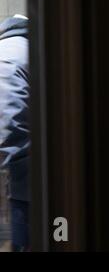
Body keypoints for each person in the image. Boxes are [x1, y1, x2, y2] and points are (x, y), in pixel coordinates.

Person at [0, 15, 30, 251]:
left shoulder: (11, 53)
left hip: (24, 188)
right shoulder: (21, 51)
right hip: (31, 186)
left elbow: (11, 127)